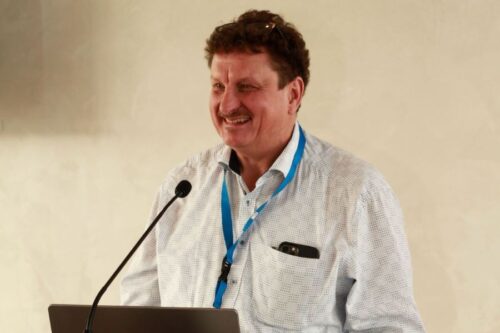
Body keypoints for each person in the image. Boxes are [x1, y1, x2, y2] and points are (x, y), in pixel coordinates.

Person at [121, 9, 425, 332]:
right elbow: (139, 311)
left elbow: (390, 327)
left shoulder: (357, 194)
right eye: (217, 87)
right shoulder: (182, 187)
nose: (227, 105)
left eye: (246, 87)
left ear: (293, 94)